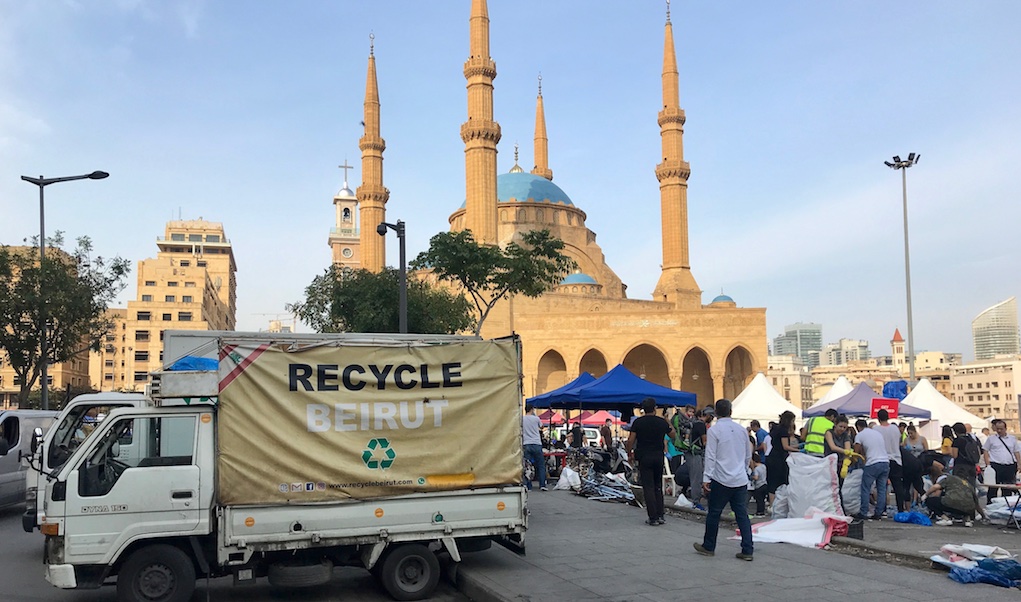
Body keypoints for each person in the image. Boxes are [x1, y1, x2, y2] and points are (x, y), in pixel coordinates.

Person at [694, 398, 754, 561]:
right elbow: (747, 454)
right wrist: (743, 469)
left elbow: (711, 456)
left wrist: (707, 478)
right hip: (740, 479)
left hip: (721, 478)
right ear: (731, 411)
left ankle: (709, 546)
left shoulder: (714, 431)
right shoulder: (741, 430)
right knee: (742, 514)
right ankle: (747, 549)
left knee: (714, 513)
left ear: (715, 413)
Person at [626, 398, 673, 526]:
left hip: (644, 457)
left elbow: (630, 440)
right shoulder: (661, 422)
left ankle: (653, 517)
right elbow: (673, 435)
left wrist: (629, 453)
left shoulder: (638, 422)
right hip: (658, 456)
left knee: (648, 487)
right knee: (658, 486)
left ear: (643, 409)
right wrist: (667, 420)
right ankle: (660, 514)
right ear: (654, 408)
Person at [852, 418, 889, 520]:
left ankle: (863, 512)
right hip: (885, 462)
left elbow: (856, 451)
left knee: (866, 488)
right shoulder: (877, 433)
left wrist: (852, 463)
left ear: (858, 427)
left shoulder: (860, 435)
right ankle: (879, 513)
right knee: (882, 489)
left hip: (872, 463)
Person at [874, 410, 908, 512]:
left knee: (882, 486)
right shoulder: (895, 429)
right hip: (897, 459)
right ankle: (901, 509)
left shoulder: (876, 429)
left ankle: (882, 509)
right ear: (888, 417)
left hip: (883, 459)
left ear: (878, 418)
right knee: (898, 486)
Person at [983, 419, 1021, 504]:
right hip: (995, 465)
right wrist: (987, 464)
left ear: (1005, 429)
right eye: (998, 429)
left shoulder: (1012, 439)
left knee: (1007, 488)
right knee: (993, 487)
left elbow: (1016, 452)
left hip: (1009, 466)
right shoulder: (991, 439)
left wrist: (1019, 464)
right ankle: (990, 505)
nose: (999, 431)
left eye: (1001, 429)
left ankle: (1005, 506)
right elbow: (985, 451)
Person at [686, 407, 714, 508]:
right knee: (696, 478)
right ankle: (696, 502)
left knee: (695, 477)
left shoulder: (693, 422)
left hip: (690, 452)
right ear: (708, 416)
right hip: (695, 453)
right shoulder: (701, 425)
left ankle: (696, 499)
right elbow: (705, 442)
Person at [765, 411, 797, 497]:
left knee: (772, 482)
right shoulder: (783, 431)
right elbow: (785, 446)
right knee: (782, 481)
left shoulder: (776, 429)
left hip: (772, 456)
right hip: (780, 458)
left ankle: (771, 505)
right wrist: (798, 450)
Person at [521, 405, 547, 491]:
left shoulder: (522, 419)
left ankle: (528, 486)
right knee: (541, 465)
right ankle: (542, 484)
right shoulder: (536, 419)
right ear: (532, 410)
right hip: (537, 443)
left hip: (526, 443)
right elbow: (542, 426)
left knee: (527, 466)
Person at [950, 422, 981, 487]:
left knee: (960, 484)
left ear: (955, 431)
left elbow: (954, 455)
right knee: (972, 484)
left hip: (961, 465)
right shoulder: (971, 439)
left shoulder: (957, 440)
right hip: (972, 465)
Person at [748, 452, 768, 517]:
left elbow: (756, 477)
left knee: (759, 500)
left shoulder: (756, 469)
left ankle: (759, 512)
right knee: (762, 500)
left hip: (759, 486)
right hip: (765, 484)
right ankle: (762, 511)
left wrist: (751, 477)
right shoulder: (763, 466)